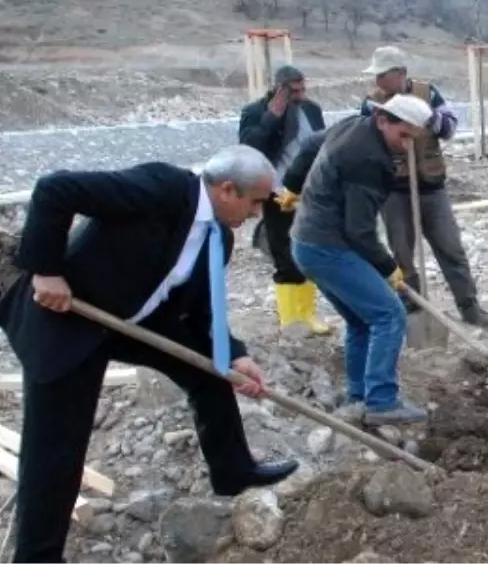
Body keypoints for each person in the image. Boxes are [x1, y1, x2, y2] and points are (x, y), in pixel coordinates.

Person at [0, 147, 299, 563]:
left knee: (210, 369)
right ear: (227, 190)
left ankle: (234, 470)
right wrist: (47, 270)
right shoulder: (160, 188)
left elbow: (203, 312)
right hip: (67, 318)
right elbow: (55, 189)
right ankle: (37, 556)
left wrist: (234, 355)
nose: (255, 213)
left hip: (133, 317)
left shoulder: (219, 238)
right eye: (254, 202)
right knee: (55, 447)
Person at [287, 94, 434, 426]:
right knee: (389, 314)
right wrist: (388, 266)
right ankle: (382, 402)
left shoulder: (352, 125)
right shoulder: (368, 159)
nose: (408, 147)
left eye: (414, 138)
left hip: (306, 242)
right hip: (328, 246)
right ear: (383, 119)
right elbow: (360, 231)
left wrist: (293, 185)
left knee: (360, 320)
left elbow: (310, 145)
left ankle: (358, 394)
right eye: (404, 136)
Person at [358, 46, 488, 327]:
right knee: (402, 253)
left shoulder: (427, 93)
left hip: (432, 187)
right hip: (394, 191)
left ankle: (469, 306)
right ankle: (414, 310)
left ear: (400, 73)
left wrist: (428, 119)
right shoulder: (372, 104)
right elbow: (364, 142)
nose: (377, 81)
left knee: (450, 247)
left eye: (382, 75)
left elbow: (449, 128)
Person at [238, 64, 330, 335]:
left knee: (309, 252)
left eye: (304, 89)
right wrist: (271, 117)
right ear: (280, 89)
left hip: (310, 192)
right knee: (284, 254)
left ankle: (309, 314)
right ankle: (292, 320)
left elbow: (321, 145)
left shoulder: (311, 110)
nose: (301, 95)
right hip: (276, 193)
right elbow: (247, 148)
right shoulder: (255, 112)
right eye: (295, 90)